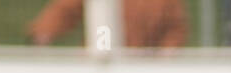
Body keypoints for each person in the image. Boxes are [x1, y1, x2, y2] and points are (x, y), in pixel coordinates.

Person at [26, 0, 188, 48]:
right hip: (97, 66)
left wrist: (167, 53)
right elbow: (65, 9)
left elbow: (175, 27)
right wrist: (45, 31)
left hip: (141, 69)